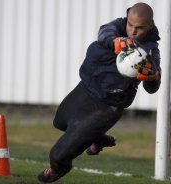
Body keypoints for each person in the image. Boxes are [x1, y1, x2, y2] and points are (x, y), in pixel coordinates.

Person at [38, 2, 161, 183]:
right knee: (60, 122)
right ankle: (97, 138)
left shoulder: (149, 51)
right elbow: (104, 33)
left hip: (108, 106)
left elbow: (153, 88)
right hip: (87, 89)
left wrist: (152, 77)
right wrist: (116, 41)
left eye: (139, 28)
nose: (133, 31)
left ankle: (59, 169)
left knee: (57, 154)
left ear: (150, 26)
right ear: (127, 17)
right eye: (130, 25)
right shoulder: (117, 26)